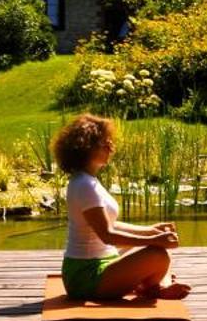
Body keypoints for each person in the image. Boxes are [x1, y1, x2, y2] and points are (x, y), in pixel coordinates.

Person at [53, 113, 188, 302]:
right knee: (158, 254)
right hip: (85, 276)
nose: (111, 147)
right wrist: (157, 240)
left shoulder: (87, 180)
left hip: (100, 262)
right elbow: (107, 235)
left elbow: (112, 224)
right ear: (86, 148)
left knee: (155, 249)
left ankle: (154, 285)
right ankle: (155, 286)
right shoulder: (84, 185)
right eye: (104, 143)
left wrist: (151, 231)